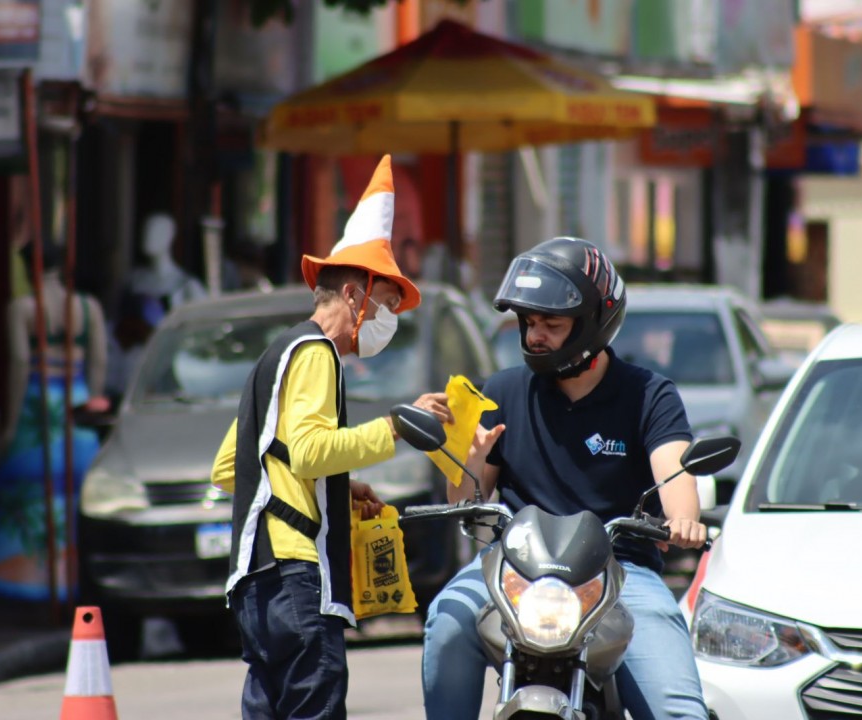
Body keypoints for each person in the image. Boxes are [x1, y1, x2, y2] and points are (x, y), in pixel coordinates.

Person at [421, 237, 710, 720]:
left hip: (620, 573)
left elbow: (675, 470)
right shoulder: (503, 390)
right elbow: (468, 499)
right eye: (530, 323)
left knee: (678, 710)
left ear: (594, 324)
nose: (536, 335)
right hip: (514, 572)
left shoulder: (648, 395)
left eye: (551, 324)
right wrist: (467, 462)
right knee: (446, 623)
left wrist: (683, 519)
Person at [210, 155, 452, 720]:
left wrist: (342, 491)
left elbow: (233, 465)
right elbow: (312, 451)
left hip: (253, 585)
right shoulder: (317, 354)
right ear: (355, 295)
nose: (387, 318)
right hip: (296, 578)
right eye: (387, 305)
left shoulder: (279, 353)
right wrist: (396, 425)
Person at [0, 240, 109, 601]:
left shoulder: (21, 308)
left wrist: (12, 421)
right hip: (77, 398)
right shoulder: (88, 307)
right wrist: (91, 405)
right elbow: (98, 361)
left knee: (26, 487)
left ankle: (28, 580)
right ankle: (74, 579)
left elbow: (20, 362)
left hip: (38, 403)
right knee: (76, 491)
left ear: (25, 267)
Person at [129, 212, 208, 327]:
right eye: (146, 230)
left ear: (169, 235)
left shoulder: (187, 286)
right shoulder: (133, 281)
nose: (148, 235)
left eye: (156, 231)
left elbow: (202, 327)